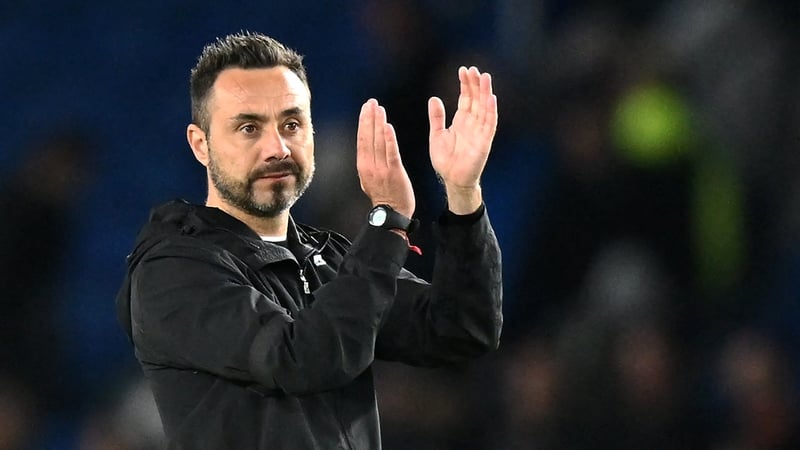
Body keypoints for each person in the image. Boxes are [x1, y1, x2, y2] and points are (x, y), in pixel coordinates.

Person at [116, 31, 501, 449]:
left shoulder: (326, 258)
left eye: (292, 124)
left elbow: (461, 329)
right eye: (249, 128)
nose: (277, 148)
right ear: (201, 144)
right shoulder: (174, 271)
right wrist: (386, 220)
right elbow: (301, 360)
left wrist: (463, 194)